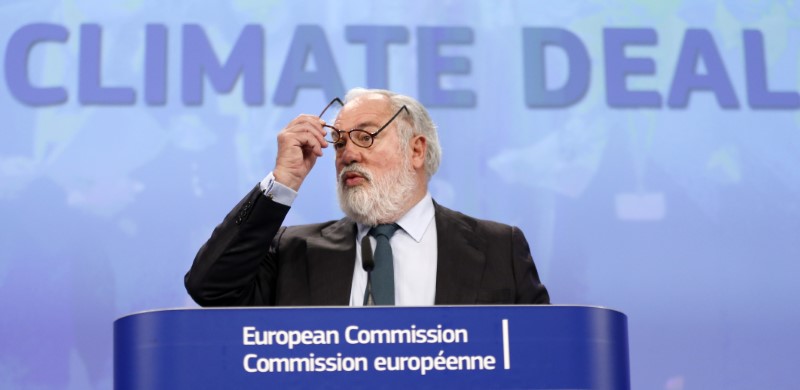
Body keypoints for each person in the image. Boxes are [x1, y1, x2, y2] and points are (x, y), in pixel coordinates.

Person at [185, 88, 549, 306]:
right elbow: (209, 287)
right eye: (339, 140)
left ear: (417, 151)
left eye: (365, 136)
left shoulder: (500, 249)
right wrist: (284, 180)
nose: (347, 154)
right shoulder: (292, 251)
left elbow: (543, 356)